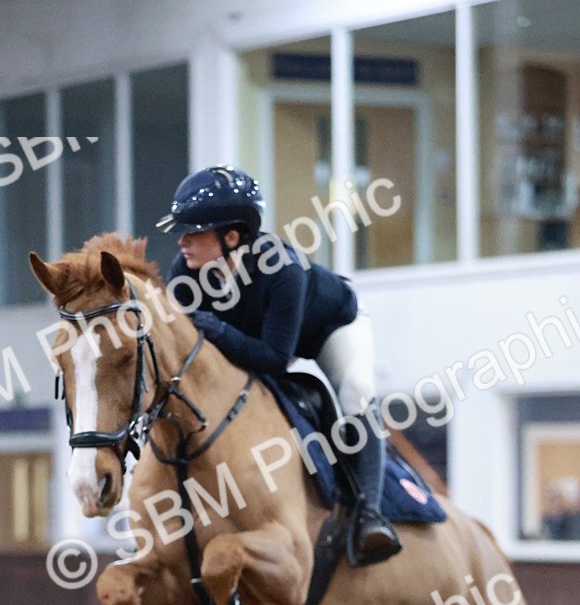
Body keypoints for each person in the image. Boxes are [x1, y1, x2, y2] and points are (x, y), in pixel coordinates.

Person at [157, 164, 401, 565]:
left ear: (231, 236)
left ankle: (369, 514)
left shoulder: (282, 269)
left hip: (329, 329)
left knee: (357, 389)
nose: (182, 241)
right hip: (261, 339)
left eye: (195, 232)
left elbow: (274, 359)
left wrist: (218, 329)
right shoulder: (185, 272)